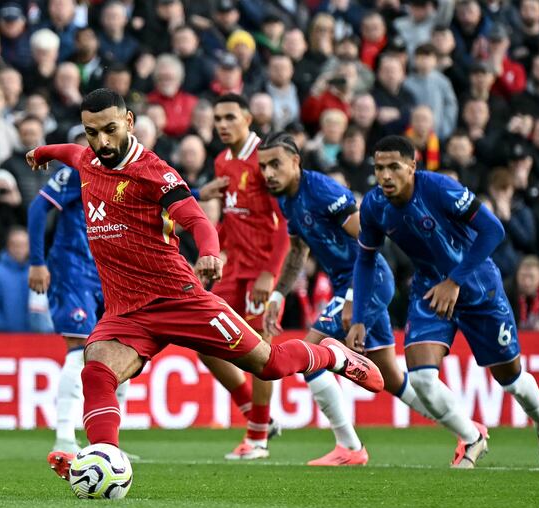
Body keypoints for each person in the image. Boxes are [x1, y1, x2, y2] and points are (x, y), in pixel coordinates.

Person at [25, 89, 383, 481]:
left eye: (110, 129)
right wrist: (43, 152)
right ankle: (102, 460)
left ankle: (332, 356)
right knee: (95, 371)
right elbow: (70, 153)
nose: (102, 142)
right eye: (92, 133)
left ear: (129, 122)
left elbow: (196, 219)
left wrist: (210, 251)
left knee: (268, 365)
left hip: (179, 298)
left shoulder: (153, 171)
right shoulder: (88, 158)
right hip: (127, 310)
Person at [348, 135, 539, 468]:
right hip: (431, 290)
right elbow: (365, 260)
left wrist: (455, 280)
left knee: (511, 380)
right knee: (421, 377)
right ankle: (471, 436)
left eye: (394, 167)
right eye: (379, 168)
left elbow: (493, 230)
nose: (386, 176)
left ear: (413, 166)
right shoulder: (375, 206)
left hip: (478, 287)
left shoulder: (439, 188)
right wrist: (359, 317)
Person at [259, 132, 436, 466]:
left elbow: (368, 243)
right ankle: (467, 430)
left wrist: (355, 296)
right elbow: (298, 251)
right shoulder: (287, 199)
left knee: (310, 353)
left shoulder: (323, 191)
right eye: (264, 166)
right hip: (348, 286)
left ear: (296, 162)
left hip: (367, 281)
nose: (268, 173)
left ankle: (350, 447)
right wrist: (278, 295)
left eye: (275, 164)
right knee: (394, 379)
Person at [196, 94, 291, 460]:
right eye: (217, 117)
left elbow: (284, 225)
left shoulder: (265, 160)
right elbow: (232, 219)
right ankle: (256, 412)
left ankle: (257, 438)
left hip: (262, 271)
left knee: (261, 352)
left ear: (248, 118)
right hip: (233, 267)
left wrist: (271, 273)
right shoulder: (222, 160)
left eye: (230, 117)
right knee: (205, 339)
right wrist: (209, 253)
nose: (222, 124)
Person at [26, 154, 129, 454]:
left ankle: (109, 444)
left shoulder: (129, 175)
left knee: (122, 351)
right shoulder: (76, 172)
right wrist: (36, 261)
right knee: (78, 349)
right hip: (73, 271)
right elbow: (38, 207)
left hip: (109, 273)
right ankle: (64, 436)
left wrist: (199, 194)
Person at [0, 227, 32, 332]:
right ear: (8, 246)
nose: (19, 249)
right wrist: (3, 328)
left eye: (24, 245)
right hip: (4, 337)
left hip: (35, 337)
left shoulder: (38, 271)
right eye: (16, 245)